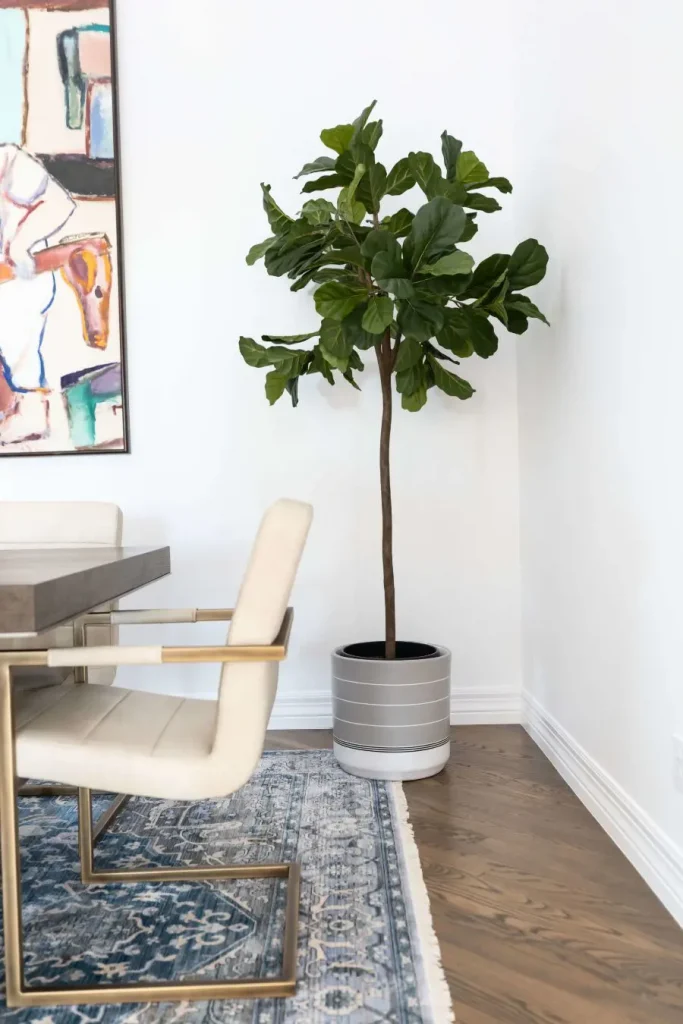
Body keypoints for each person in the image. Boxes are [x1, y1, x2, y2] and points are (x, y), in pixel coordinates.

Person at [0, 144, 75, 445]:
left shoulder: (9, 161)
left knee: (19, 354)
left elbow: (59, 204)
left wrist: (20, 245)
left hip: (22, 282)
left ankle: (29, 413)